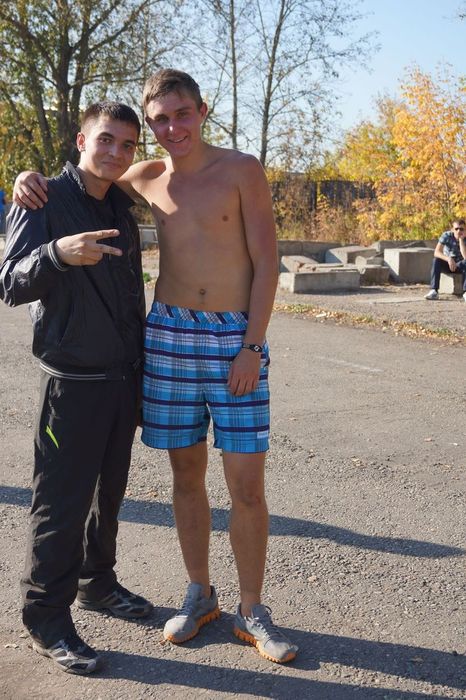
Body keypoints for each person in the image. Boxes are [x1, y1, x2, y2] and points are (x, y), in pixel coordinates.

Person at [13, 69, 298, 665]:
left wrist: (252, 345)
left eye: (182, 114)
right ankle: (200, 594)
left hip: (234, 339)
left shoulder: (241, 169)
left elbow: (267, 261)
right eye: (160, 120)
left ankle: (252, 609)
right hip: (167, 336)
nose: (173, 128)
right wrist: (26, 179)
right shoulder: (143, 175)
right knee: (185, 475)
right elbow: (82, 175)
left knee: (246, 484)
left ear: (202, 111)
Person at [1, 102, 153, 675]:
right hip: (70, 383)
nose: (116, 152)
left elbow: (130, 297)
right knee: (59, 506)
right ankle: (45, 617)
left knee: (107, 496)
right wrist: (57, 254)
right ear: (81, 139)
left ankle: (97, 583)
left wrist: (141, 371)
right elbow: (9, 282)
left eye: (127, 145)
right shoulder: (42, 197)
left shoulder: (120, 206)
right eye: (106, 139)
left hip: (120, 378)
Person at [424, 219, 466, 300]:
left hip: (461, 266)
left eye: (461, 229)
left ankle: (465, 292)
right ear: (452, 230)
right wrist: (448, 259)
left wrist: (461, 240)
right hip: (448, 264)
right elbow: (436, 252)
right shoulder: (447, 235)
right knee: (436, 260)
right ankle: (434, 291)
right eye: (456, 229)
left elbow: (465, 257)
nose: (459, 231)